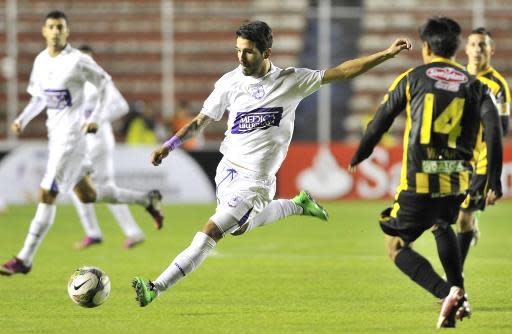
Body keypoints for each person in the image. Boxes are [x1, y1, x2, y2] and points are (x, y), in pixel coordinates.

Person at [132, 20, 411, 307]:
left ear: (267, 53)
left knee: (212, 231)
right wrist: (170, 145)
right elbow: (201, 121)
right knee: (239, 227)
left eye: (249, 52)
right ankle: (296, 205)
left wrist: (385, 55)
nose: (241, 57)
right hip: (226, 170)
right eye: (238, 50)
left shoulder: (291, 81)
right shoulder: (229, 82)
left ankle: (156, 286)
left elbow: (340, 72)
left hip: (256, 182)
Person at [348, 17, 503, 328]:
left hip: (419, 181)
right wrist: (494, 178)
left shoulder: (412, 77)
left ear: (426, 47)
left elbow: (381, 121)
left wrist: (360, 153)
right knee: (443, 223)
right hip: (458, 180)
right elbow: (494, 129)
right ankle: (460, 294)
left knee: (395, 246)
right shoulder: (477, 85)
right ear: (457, 49)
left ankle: (448, 292)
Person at [0, 10, 163, 276]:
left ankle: (24, 258)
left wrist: (96, 116)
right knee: (89, 195)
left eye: (60, 27)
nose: (55, 31)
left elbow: (104, 82)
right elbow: (40, 98)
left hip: (71, 139)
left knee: (46, 194)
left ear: (67, 32)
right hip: (56, 137)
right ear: (44, 31)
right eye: (51, 27)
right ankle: (146, 199)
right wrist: (22, 119)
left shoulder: (77, 60)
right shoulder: (41, 61)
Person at [71, 44, 146, 250]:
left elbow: (121, 106)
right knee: (106, 189)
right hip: (87, 142)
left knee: (73, 183)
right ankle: (133, 232)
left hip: (98, 141)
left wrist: (98, 118)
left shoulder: (100, 80)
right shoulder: (77, 83)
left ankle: (93, 233)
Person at [456, 27, 510, 270]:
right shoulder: (456, 78)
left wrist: (493, 177)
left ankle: (454, 282)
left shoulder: (498, 85)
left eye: (483, 45)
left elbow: (502, 128)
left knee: (463, 219)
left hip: (482, 161)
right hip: (455, 158)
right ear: (466, 49)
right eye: (474, 45)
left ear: (491, 50)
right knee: (445, 217)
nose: (478, 49)